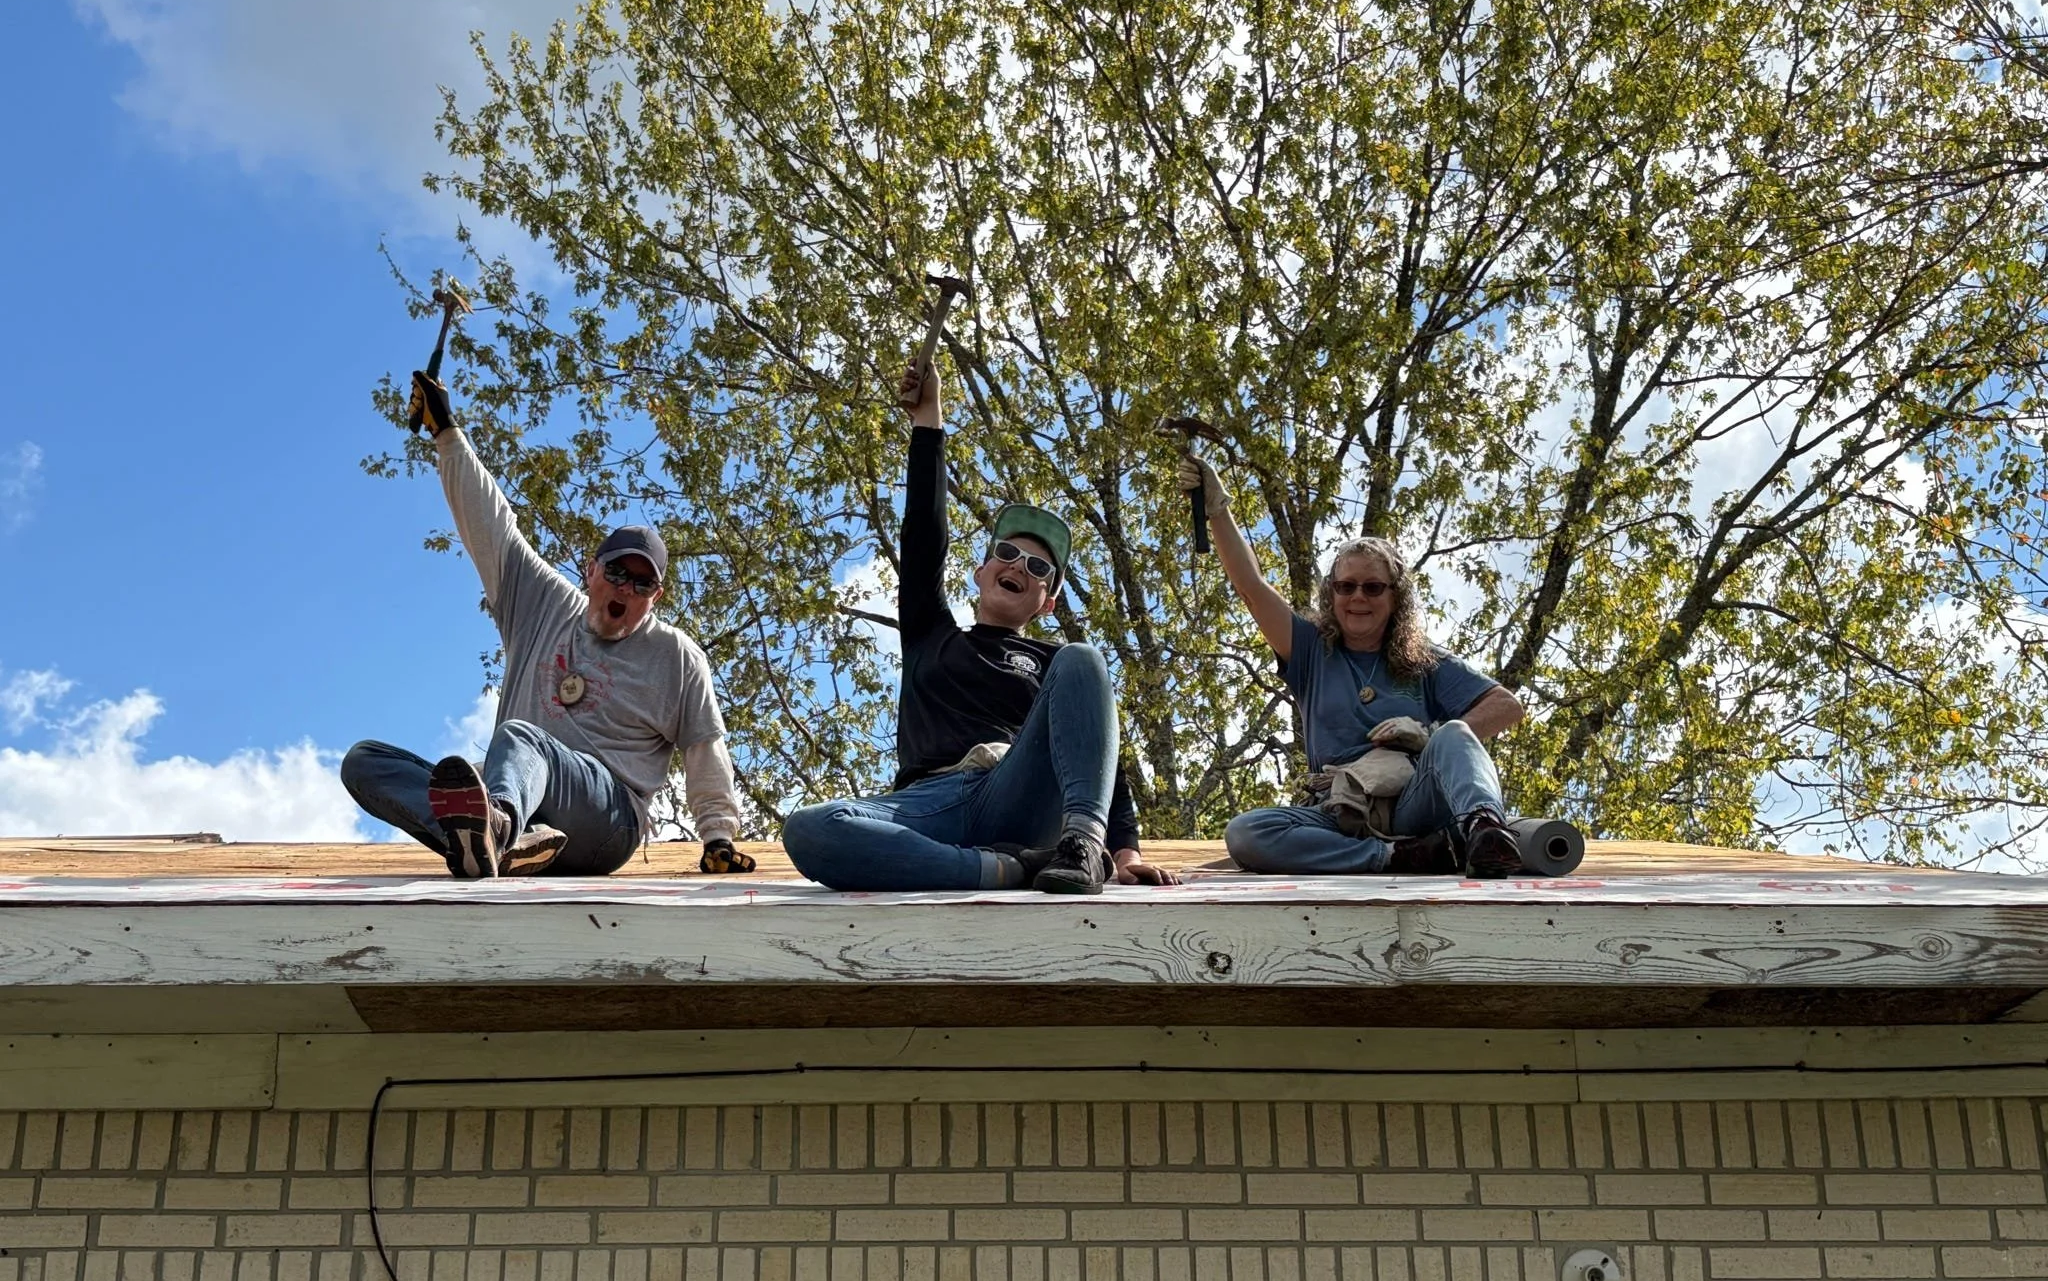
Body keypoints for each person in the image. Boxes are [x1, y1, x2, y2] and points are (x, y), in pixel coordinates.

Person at [340, 369, 755, 879]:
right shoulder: (540, 604)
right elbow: (491, 525)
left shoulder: (676, 656)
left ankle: (495, 829)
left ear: (656, 597)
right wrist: (447, 432)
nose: (626, 589)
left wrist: (718, 837)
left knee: (519, 739)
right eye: (617, 573)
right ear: (591, 571)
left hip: (606, 823)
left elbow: (704, 746)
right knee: (366, 762)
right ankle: (491, 841)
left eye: (642, 584)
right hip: (519, 802)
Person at [782, 360, 1178, 894]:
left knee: (1084, 658)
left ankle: (1082, 846)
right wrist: (929, 419)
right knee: (812, 828)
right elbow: (922, 540)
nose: (1019, 567)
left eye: (1037, 567)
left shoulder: (1054, 665)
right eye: (1007, 553)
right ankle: (1007, 869)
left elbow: (1103, 758)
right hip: (928, 804)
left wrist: (1125, 853)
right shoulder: (932, 634)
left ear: (1047, 602)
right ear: (981, 570)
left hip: (1018, 794)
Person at [1177, 451, 1528, 877]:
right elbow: (1251, 586)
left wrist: (1426, 735)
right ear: (1332, 594)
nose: (1358, 597)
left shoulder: (1424, 661)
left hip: (1412, 805)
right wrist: (1217, 509)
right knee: (1247, 833)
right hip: (1339, 812)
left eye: (1373, 587)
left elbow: (1506, 706)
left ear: (1395, 597)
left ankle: (1485, 831)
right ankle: (1401, 856)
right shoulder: (1310, 651)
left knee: (1455, 734)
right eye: (1345, 586)